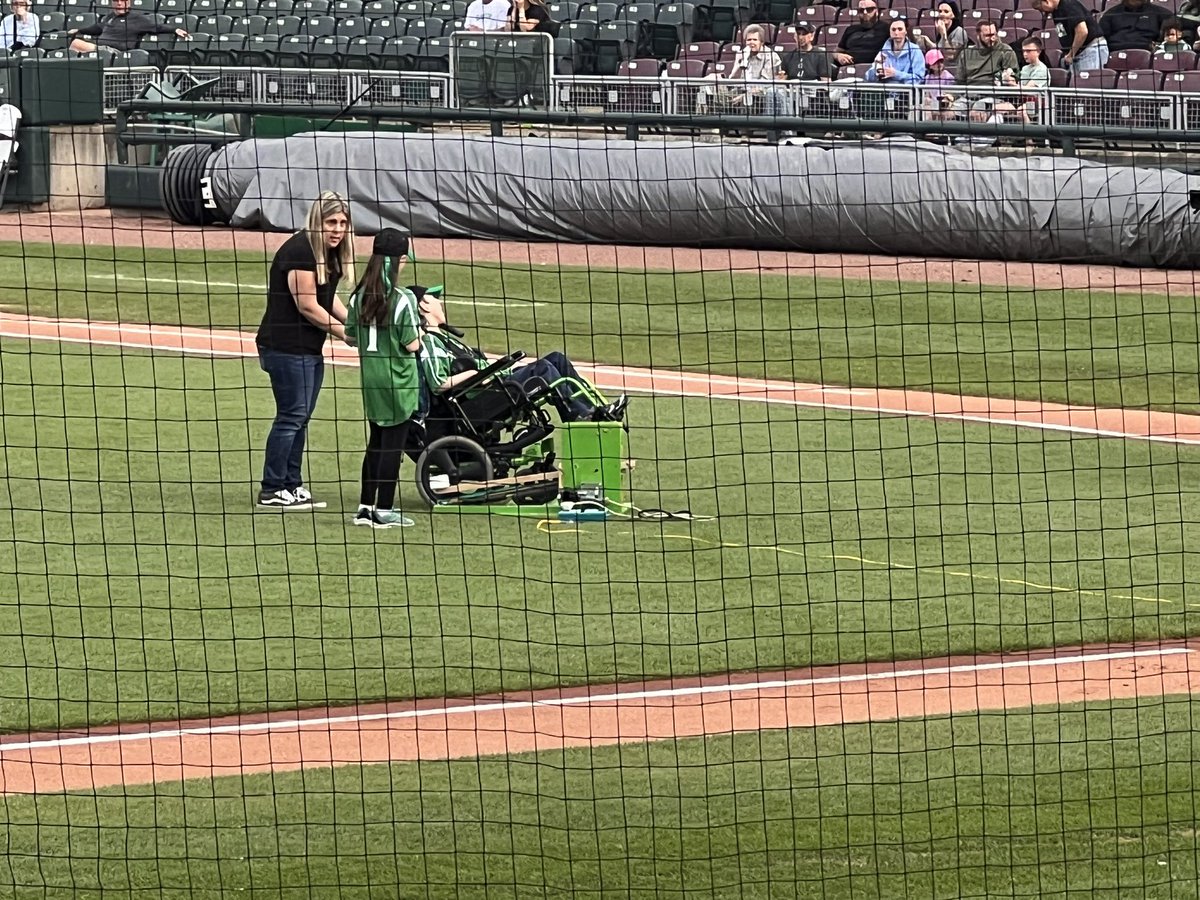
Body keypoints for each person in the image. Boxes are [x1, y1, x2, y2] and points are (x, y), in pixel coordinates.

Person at [255, 191, 356, 510]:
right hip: (284, 347)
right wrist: (346, 335)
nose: (337, 229)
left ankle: (291, 484)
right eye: (331, 222)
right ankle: (272, 489)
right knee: (291, 416)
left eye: (342, 222)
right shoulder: (301, 251)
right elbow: (308, 305)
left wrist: (354, 322)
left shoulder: (330, 252)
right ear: (317, 221)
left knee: (301, 417)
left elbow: (327, 298)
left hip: (307, 348)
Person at [418, 293, 629, 424]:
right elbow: (438, 383)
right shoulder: (431, 343)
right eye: (435, 298)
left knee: (557, 359)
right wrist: (475, 374)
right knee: (545, 370)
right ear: (425, 306)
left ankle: (592, 411)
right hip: (484, 395)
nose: (440, 301)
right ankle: (580, 417)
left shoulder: (445, 338)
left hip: (494, 384)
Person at [345, 229, 422, 529]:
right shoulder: (402, 299)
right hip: (398, 381)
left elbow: (351, 337)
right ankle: (385, 509)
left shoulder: (359, 294)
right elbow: (412, 344)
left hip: (371, 379)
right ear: (399, 260)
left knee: (376, 442)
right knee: (392, 446)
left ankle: (365, 506)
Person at [69, 0, 187, 52]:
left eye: (123, 0)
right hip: (99, 49)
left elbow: (157, 27)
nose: (119, 3)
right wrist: (79, 30)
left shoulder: (136, 18)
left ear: (128, 3)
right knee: (74, 49)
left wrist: (174, 29)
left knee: (76, 44)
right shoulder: (110, 17)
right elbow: (98, 27)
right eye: (116, 0)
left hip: (115, 51)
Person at [1032, 0, 1107, 74]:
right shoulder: (1056, 12)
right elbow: (1062, 33)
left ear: (1047, 1)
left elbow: (1082, 32)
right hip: (1077, 53)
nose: (1043, 12)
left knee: (1089, 83)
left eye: (1041, 8)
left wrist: (1071, 54)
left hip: (1090, 49)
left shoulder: (1069, 4)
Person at [957, 19, 1020, 85]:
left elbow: (1014, 78)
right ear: (978, 36)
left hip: (994, 92)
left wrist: (1008, 78)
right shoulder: (966, 53)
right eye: (987, 36)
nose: (992, 38)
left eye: (994, 35)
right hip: (970, 91)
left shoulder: (1006, 51)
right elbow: (959, 81)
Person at [865, 18, 926, 85]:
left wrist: (895, 74)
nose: (896, 33)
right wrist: (876, 68)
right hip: (886, 93)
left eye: (900, 29)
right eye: (893, 30)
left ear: (906, 31)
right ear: (890, 32)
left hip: (907, 93)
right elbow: (869, 78)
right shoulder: (883, 50)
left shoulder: (915, 50)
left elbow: (919, 79)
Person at [832, 0, 889, 65]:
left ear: (877, 12)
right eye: (861, 10)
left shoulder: (886, 28)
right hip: (847, 66)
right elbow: (836, 51)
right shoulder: (850, 29)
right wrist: (838, 56)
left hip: (874, 67)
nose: (865, 12)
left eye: (869, 9)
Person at [1100, 0, 1172, 52]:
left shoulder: (1161, 13)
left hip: (1148, 52)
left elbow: (1179, 28)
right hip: (1115, 51)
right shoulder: (1111, 14)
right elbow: (1101, 36)